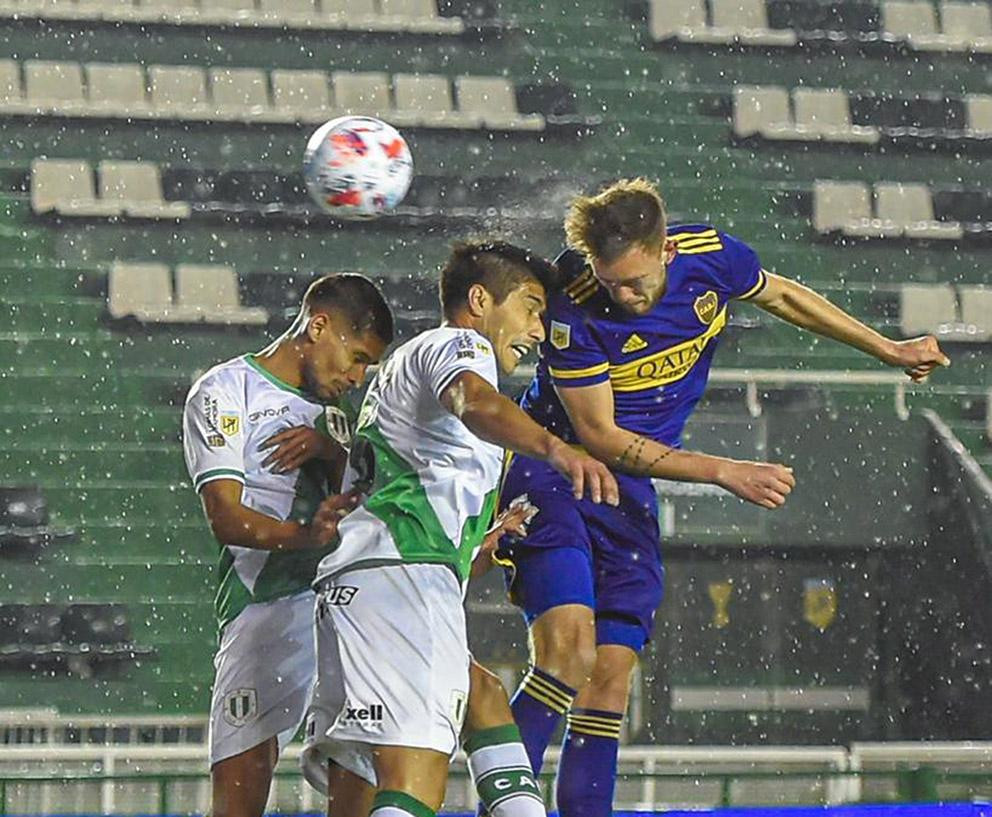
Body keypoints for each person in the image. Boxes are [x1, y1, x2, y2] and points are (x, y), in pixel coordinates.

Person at [497, 178, 952, 817]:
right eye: (609, 282)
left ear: (666, 253)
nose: (621, 296)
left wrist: (888, 348)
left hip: (626, 487)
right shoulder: (575, 301)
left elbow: (784, 296)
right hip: (554, 468)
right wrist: (721, 470)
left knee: (612, 673)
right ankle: (499, 799)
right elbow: (600, 436)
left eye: (633, 282)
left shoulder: (710, 255)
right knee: (568, 650)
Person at [300, 241, 620, 817]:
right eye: (529, 308)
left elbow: (413, 487)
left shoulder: (407, 369)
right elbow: (473, 400)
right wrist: (556, 449)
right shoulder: (458, 346)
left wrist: (483, 538)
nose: (539, 331)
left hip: (370, 584)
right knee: (417, 777)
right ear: (479, 300)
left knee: (483, 701)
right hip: (399, 582)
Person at [181, 273, 394, 817]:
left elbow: (374, 504)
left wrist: (330, 450)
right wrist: (307, 536)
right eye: (357, 357)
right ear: (318, 326)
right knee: (240, 792)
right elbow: (226, 517)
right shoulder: (225, 392)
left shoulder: (341, 422)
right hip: (266, 609)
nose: (357, 375)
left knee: (358, 769)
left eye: (369, 366)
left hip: (348, 611)